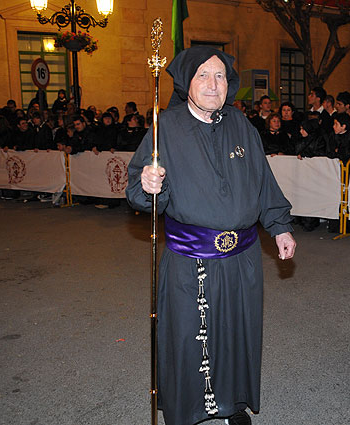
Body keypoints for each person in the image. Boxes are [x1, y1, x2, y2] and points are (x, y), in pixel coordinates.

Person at [125, 46, 296, 425]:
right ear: (187, 82)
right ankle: (187, 411)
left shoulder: (241, 125)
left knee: (236, 333)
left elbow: (263, 183)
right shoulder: (165, 127)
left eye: (219, 75)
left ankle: (232, 403)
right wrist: (149, 184)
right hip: (191, 262)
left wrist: (279, 227)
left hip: (243, 258)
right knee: (190, 339)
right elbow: (137, 195)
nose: (212, 84)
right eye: (203, 75)